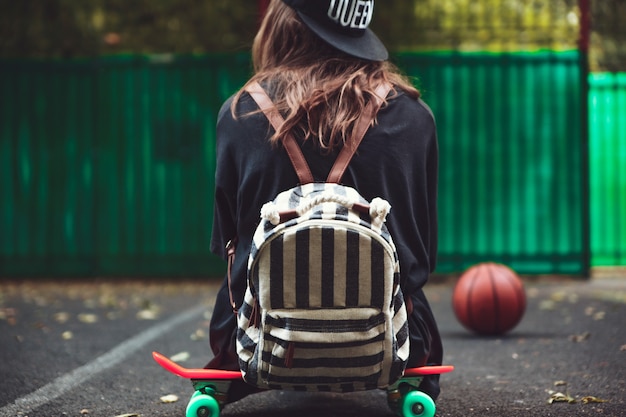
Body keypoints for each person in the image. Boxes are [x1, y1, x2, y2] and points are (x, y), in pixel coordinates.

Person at [207, 0, 443, 401]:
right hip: (400, 343)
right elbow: (422, 254)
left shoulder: (239, 113)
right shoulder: (414, 116)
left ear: (285, 24)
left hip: (255, 341)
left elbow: (227, 245)